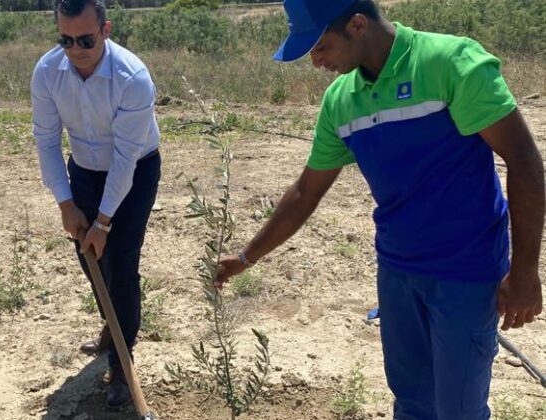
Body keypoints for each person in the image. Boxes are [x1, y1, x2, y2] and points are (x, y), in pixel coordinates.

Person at [216, 1, 544, 419]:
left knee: (459, 409)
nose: (316, 62)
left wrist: (524, 272)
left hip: (466, 273)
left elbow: (526, 165)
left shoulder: (450, 63)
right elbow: (305, 192)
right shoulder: (342, 101)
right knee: (411, 402)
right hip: (398, 272)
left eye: (320, 48)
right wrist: (247, 257)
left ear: (357, 25)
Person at [30, 0, 160, 409]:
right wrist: (66, 204)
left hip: (135, 169)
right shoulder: (48, 73)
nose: (75, 49)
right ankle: (111, 323)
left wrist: (103, 222)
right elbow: (47, 141)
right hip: (84, 170)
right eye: (65, 40)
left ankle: (122, 369)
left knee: (120, 263)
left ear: (106, 30)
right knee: (88, 256)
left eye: (85, 39)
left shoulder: (132, 77)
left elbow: (125, 158)